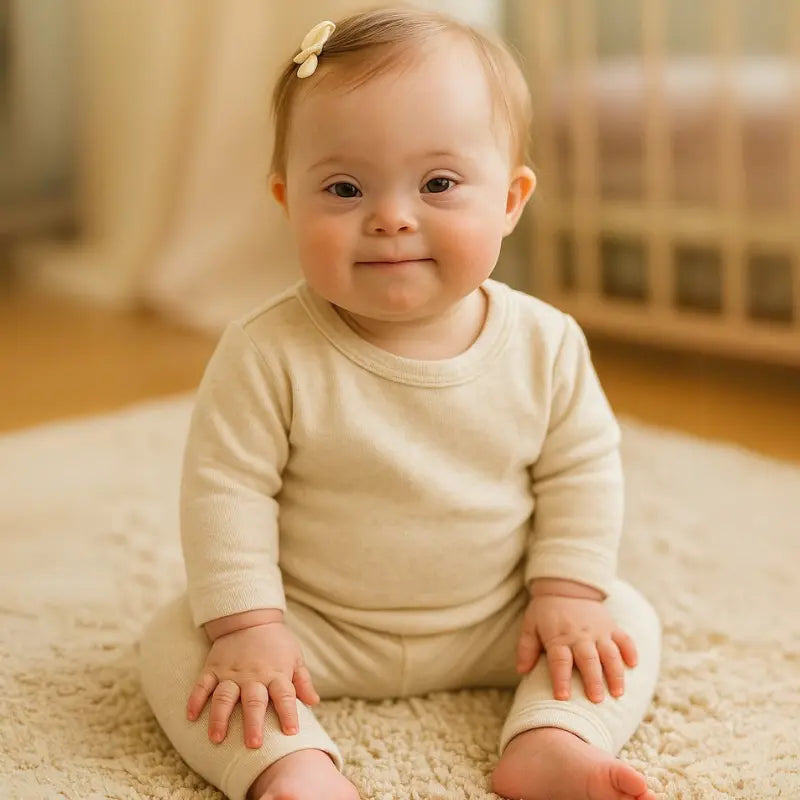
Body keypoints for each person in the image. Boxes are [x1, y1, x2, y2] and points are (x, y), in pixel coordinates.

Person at [139, 8, 662, 800]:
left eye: (440, 184)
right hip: (316, 628)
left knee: (624, 621)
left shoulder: (545, 343)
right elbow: (225, 489)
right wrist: (251, 629)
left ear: (512, 199)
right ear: (287, 201)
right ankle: (292, 766)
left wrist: (564, 595)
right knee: (176, 642)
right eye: (344, 188)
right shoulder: (265, 350)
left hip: (501, 620)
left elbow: (582, 470)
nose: (391, 216)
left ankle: (553, 739)